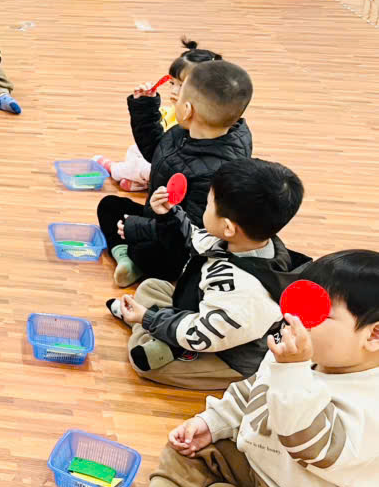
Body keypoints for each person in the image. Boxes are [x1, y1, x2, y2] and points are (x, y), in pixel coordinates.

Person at [96, 249, 379, 487]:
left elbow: (310, 445)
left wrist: (293, 371)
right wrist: (212, 423)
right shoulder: (305, 356)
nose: (294, 320)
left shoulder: (367, 401)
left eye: (316, 314)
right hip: (268, 467)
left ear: (373, 334)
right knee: (191, 445)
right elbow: (252, 390)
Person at [109, 158, 305, 390]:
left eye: (209, 204)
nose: (204, 206)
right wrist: (169, 215)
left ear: (228, 227)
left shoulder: (244, 294)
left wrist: (147, 319)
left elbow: (200, 334)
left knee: (146, 364)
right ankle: (156, 328)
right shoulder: (242, 239)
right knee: (151, 286)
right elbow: (195, 238)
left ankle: (150, 330)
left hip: (228, 354)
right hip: (204, 310)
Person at [97, 60, 253, 286]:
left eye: (179, 97)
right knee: (110, 206)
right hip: (161, 217)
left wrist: (139, 228)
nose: (173, 98)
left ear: (188, 110)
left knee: (146, 252)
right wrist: (145, 108)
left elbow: (193, 233)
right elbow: (156, 152)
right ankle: (126, 258)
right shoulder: (190, 131)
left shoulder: (215, 171)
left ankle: (131, 259)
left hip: (182, 244)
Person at [94, 39, 221, 191]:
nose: (174, 91)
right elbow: (155, 144)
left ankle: (115, 170)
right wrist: (146, 104)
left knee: (142, 166)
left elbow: (169, 158)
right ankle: (140, 181)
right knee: (135, 150)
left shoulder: (204, 124)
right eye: (172, 83)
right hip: (168, 161)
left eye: (182, 85)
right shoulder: (176, 110)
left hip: (179, 175)